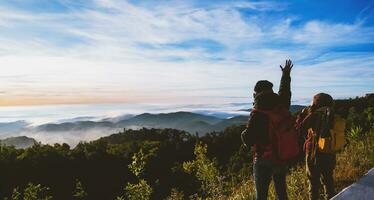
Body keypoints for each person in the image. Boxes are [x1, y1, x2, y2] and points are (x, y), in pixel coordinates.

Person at [241, 59, 293, 200]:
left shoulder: (258, 113)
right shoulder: (282, 105)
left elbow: (249, 139)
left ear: (257, 93)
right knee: (281, 193)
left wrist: (243, 134)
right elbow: (285, 91)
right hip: (280, 155)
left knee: (261, 195)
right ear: (270, 91)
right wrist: (286, 75)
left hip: (263, 159)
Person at [296, 93, 337, 200]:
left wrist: (301, 115)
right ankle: (331, 197)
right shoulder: (333, 114)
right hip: (329, 151)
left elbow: (299, 129)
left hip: (314, 153)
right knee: (328, 179)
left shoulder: (315, 115)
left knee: (313, 182)